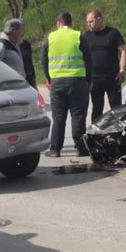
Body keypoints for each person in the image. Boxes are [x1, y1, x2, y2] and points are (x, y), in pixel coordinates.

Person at [41, 12, 92, 158]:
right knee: (78, 116)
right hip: (77, 81)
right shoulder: (78, 36)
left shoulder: (50, 38)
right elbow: (88, 60)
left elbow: (44, 62)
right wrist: (89, 80)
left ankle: (55, 149)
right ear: (71, 22)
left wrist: (49, 79)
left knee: (58, 117)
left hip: (57, 82)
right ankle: (80, 148)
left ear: (58, 23)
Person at [83, 9, 126, 121]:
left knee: (116, 108)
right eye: (87, 22)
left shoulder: (113, 33)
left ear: (99, 19)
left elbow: (123, 51)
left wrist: (122, 70)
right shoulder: (86, 36)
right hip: (94, 79)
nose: (88, 24)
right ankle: (96, 136)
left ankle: (120, 134)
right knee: (97, 109)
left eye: (91, 21)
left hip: (113, 78)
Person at [17, 18, 37, 89]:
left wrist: (34, 78)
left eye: (23, 27)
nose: (22, 30)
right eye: (20, 27)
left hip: (29, 77)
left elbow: (30, 61)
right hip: (18, 78)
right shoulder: (11, 45)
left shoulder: (26, 44)